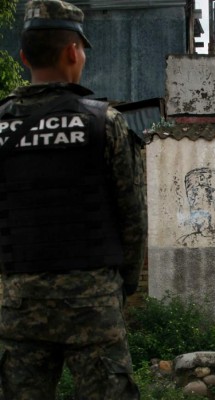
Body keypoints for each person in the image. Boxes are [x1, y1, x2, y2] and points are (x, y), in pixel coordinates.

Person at [0, 1, 147, 399]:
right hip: (93, 304)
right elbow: (132, 217)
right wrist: (122, 287)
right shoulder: (104, 123)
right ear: (72, 52)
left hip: (20, 306)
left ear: (24, 57)